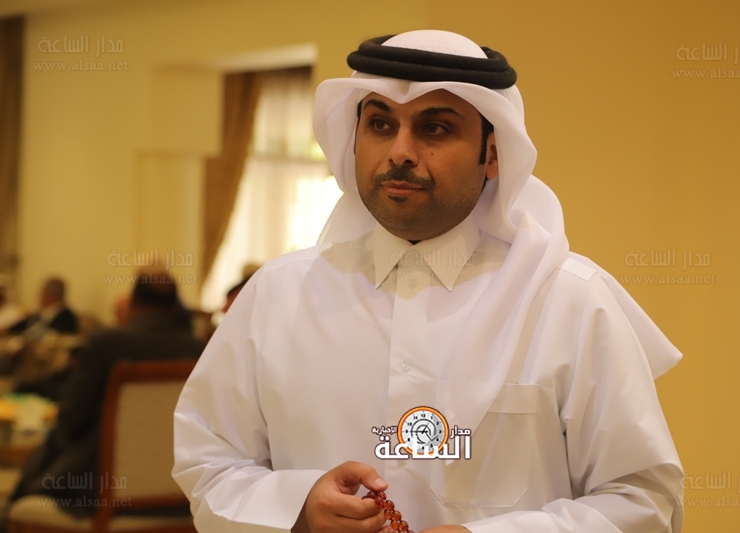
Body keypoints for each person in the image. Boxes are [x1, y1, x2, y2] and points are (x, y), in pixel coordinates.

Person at [173, 30, 684, 533]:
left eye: (434, 128)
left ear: (493, 154)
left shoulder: (568, 300)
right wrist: (297, 507)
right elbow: (209, 465)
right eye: (379, 124)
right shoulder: (278, 294)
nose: (400, 152)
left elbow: (643, 500)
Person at [5, 270, 206, 519]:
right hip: (182, 500)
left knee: (26, 488)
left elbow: (70, 420)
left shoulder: (106, 345)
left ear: (133, 302)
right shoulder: (202, 351)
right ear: (176, 306)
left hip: (100, 495)